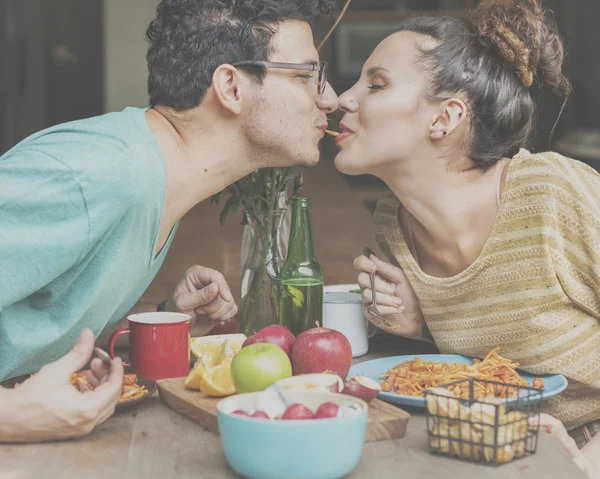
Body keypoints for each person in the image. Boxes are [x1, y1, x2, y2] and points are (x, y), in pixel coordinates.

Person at [0, 0, 340, 442]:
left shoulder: (162, 180)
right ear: (231, 87)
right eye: (304, 76)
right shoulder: (92, 175)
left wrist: (162, 321)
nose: (330, 98)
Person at [335, 0, 599, 474]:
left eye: (375, 84)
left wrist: (582, 461)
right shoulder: (394, 225)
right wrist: (423, 326)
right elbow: (493, 354)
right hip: (491, 444)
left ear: (446, 117)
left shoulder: (551, 193)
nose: (342, 99)